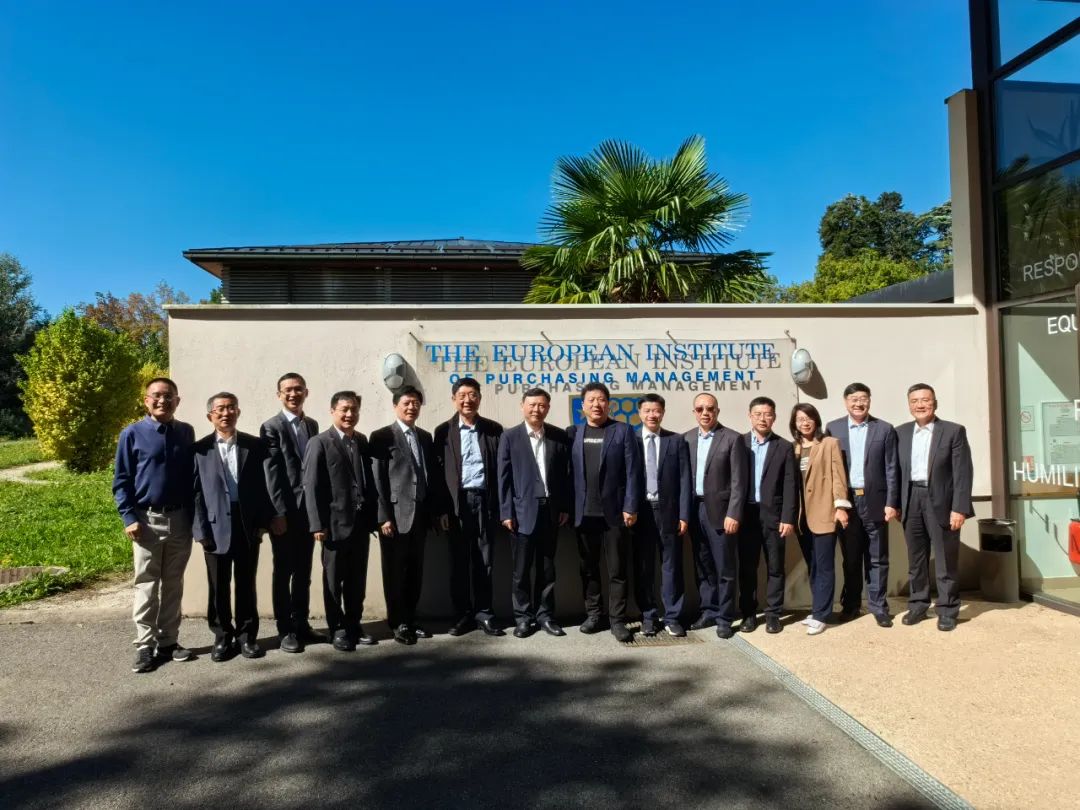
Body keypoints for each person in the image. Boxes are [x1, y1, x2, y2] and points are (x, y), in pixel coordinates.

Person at [113, 377, 197, 674]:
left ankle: (169, 641)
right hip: (146, 520)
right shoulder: (132, 434)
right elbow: (121, 480)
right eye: (157, 395)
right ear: (146, 400)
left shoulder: (186, 432)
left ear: (177, 400)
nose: (163, 400)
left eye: (169, 395)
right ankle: (145, 645)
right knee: (147, 585)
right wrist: (129, 517)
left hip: (180, 519)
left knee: (173, 583)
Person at [192, 393, 279, 662]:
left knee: (246, 584)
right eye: (220, 409)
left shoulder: (254, 446)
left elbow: (264, 487)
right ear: (210, 416)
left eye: (231, 408)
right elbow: (195, 493)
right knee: (218, 587)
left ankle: (246, 636)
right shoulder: (199, 450)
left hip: (246, 524)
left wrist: (262, 525)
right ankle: (222, 636)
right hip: (214, 526)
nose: (226, 413)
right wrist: (201, 531)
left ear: (238, 412)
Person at [370, 386, 448, 645]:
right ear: (396, 406)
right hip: (395, 517)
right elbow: (378, 479)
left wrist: (436, 512)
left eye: (415, 403)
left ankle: (411, 619)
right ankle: (398, 623)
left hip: (421, 516)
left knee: (415, 571)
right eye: (406, 403)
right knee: (395, 572)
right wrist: (383, 516)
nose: (411, 407)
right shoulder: (382, 436)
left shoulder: (424, 436)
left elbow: (432, 475)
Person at [302, 390, 378, 652]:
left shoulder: (361, 441)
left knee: (357, 580)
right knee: (334, 581)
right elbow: (311, 485)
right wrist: (316, 524)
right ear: (332, 411)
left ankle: (354, 624)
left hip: (360, 524)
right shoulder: (319, 442)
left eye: (354, 409)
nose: (349, 414)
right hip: (333, 525)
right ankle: (338, 629)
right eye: (344, 409)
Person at [567, 382, 642, 643]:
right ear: (583, 405)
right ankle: (594, 615)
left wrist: (630, 506)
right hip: (583, 514)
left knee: (617, 570)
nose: (596, 404)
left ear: (608, 404)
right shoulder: (573, 433)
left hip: (615, 514)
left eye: (601, 399)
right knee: (588, 568)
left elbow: (633, 472)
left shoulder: (622, 430)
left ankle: (617, 620)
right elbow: (566, 474)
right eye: (591, 400)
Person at [896, 384, 974, 632]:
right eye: (915, 401)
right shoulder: (900, 433)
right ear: (909, 405)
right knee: (916, 560)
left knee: (945, 560)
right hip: (911, 499)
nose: (920, 405)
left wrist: (959, 508)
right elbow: (894, 472)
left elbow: (963, 473)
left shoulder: (953, 431)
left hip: (941, 501)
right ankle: (918, 605)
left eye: (925, 400)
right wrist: (896, 503)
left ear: (935, 403)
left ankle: (947, 609)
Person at [433, 377, 505, 637]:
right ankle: (462, 614)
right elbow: (438, 474)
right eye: (462, 395)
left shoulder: (494, 430)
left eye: (473, 395)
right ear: (454, 399)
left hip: (485, 501)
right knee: (459, 561)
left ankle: (484, 613)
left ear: (480, 398)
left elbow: (502, 471)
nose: (467, 400)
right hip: (458, 504)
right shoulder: (443, 431)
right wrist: (442, 510)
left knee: (485, 561)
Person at [497, 387, 571, 638]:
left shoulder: (558, 436)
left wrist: (564, 507)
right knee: (521, 571)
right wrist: (506, 512)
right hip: (521, 514)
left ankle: (545, 616)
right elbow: (503, 478)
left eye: (541, 405)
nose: (536, 410)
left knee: (547, 569)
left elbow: (565, 476)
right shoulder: (510, 437)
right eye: (532, 405)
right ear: (522, 406)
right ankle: (523, 618)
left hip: (550, 511)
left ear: (547, 408)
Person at [825, 383, 900, 628]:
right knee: (851, 557)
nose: (859, 403)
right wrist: (835, 504)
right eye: (854, 399)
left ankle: (879, 607)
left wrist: (892, 502)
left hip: (875, 501)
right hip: (847, 502)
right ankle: (851, 605)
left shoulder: (884, 429)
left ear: (869, 400)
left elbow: (892, 468)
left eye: (863, 398)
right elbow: (830, 471)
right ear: (845, 402)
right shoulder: (833, 428)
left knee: (878, 557)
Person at [260, 372, 321, 653]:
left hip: (308, 511)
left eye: (298, 389)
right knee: (283, 571)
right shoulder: (271, 427)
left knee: (304, 571)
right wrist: (277, 513)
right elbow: (271, 473)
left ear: (306, 392)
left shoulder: (312, 424)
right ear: (279, 395)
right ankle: (285, 629)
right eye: (288, 390)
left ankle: (301, 623)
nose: (293, 394)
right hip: (284, 513)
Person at [684, 393, 747, 640]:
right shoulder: (687, 438)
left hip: (722, 513)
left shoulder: (732, 438)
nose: (705, 413)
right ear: (694, 412)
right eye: (700, 409)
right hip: (694, 510)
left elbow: (739, 481)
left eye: (710, 408)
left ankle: (725, 617)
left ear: (717, 411)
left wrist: (734, 513)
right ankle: (708, 610)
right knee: (703, 565)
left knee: (725, 568)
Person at [632, 394, 692, 637]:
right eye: (647, 411)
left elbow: (685, 480)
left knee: (672, 566)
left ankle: (672, 616)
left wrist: (684, 515)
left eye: (656, 410)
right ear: (639, 413)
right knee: (644, 566)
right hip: (641, 512)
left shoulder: (675, 441)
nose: (652, 415)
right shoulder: (631, 440)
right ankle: (648, 616)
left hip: (669, 512)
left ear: (663, 413)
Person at [739, 396, 798, 634]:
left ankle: (773, 614)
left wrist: (787, 518)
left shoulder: (783, 446)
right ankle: (748, 614)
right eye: (758, 414)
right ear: (750, 416)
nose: (763, 419)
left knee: (775, 567)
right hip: (746, 515)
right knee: (747, 567)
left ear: (774, 417)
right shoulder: (739, 443)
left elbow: (790, 485)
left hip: (773, 516)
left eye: (767, 414)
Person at [790, 403, 850, 636]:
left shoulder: (829, 443)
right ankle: (817, 609)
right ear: (794, 424)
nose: (804, 422)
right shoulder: (793, 448)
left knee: (824, 566)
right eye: (800, 419)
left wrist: (840, 507)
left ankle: (823, 615)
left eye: (808, 418)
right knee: (813, 565)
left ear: (816, 420)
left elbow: (838, 477)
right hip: (801, 517)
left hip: (824, 512)